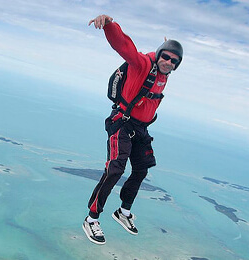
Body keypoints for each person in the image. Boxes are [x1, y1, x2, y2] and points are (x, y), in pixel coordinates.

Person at [82, 14, 183, 245]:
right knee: (115, 169)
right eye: (165, 56)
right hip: (123, 123)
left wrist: (166, 45)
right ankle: (91, 218)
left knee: (141, 169)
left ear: (177, 65)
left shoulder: (163, 74)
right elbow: (125, 47)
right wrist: (109, 25)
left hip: (141, 128)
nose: (168, 62)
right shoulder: (143, 65)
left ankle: (123, 212)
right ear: (159, 55)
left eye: (174, 61)